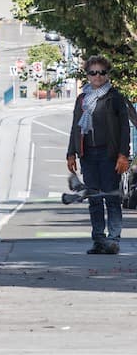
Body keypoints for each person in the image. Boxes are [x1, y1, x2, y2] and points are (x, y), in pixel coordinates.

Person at [66, 55, 131, 254]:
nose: (98, 76)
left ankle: (113, 240)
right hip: (88, 155)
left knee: (111, 197)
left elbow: (124, 129)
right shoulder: (82, 99)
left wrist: (123, 155)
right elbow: (76, 127)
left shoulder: (115, 98)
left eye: (102, 72)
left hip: (109, 154)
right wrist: (71, 153)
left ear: (107, 74)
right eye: (93, 72)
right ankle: (99, 240)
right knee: (94, 199)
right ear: (87, 75)